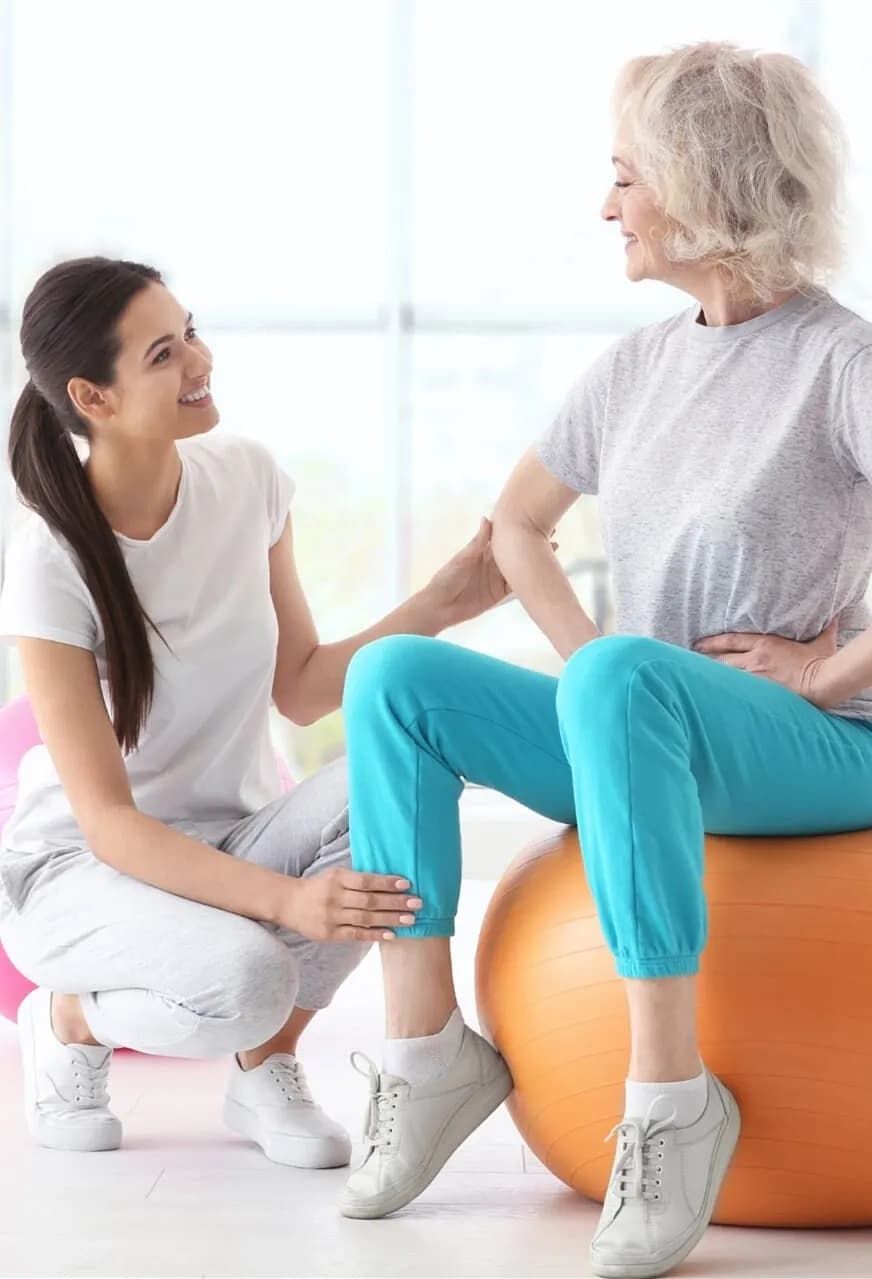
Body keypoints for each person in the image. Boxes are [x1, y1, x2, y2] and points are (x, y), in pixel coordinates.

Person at [337, 40, 872, 1278]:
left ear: (702, 180)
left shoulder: (838, 362)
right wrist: (586, 676)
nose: (604, 206)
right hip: (642, 730)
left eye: (624, 176)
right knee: (395, 680)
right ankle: (425, 1054)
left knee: (620, 679)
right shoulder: (635, 367)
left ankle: (670, 1101)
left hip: (819, 749)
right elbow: (515, 526)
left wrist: (827, 671)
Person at [0, 255, 508, 1166]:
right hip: (82, 869)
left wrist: (440, 603)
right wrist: (288, 901)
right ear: (93, 396)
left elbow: (301, 686)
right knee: (249, 976)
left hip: (230, 834)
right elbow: (111, 824)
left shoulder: (247, 478)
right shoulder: (49, 561)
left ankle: (264, 1063)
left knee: (400, 776)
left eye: (190, 332)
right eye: (163, 354)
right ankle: (68, 1015)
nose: (199, 362)